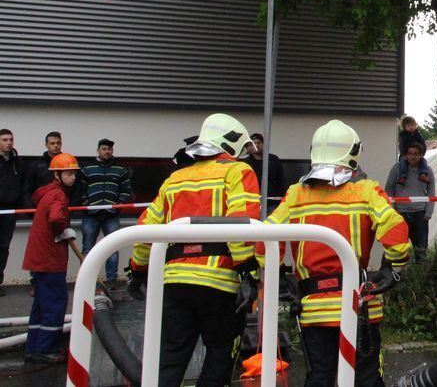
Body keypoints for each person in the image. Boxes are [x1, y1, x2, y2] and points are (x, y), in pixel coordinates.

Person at [261, 119, 412, 387]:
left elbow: (264, 239)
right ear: (354, 153)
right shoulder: (366, 191)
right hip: (358, 305)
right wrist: (393, 269)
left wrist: (273, 275)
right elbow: (397, 234)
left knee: (320, 376)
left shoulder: (296, 194)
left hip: (313, 308)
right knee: (365, 377)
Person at [128, 113, 261, 387]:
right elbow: (242, 223)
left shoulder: (175, 178)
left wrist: (137, 270)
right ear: (232, 143)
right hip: (218, 281)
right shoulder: (238, 172)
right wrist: (248, 270)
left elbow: (145, 230)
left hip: (175, 281)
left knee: (171, 356)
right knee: (220, 351)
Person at [22, 152, 79, 363]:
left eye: (74, 174)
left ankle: (33, 347)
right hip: (49, 259)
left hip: (39, 258)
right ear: (57, 175)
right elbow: (56, 217)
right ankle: (46, 348)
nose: (72, 177)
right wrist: (62, 231)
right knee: (55, 303)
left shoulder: (47, 193)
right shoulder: (58, 195)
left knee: (40, 305)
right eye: (68, 173)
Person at [79, 139, 132, 283]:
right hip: (91, 215)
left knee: (112, 248)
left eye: (109, 149)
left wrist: (119, 204)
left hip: (111, 215)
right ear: (98, 150)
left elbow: (127, 191)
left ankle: (111, 280)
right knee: (87, 248)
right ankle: (87, 280)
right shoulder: (87, 169)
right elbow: (80, 189)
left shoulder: (120, 170)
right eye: (104, 149)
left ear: (112, 151)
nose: (106, 151)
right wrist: (85, 201)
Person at [385, 143, 435, 258]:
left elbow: (432, 193)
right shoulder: (397, 169)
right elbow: (388, 190)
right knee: (395, 248)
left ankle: (420, 273)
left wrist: (428, 213)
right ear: (406, 155)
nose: (413, 157)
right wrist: (392, 210)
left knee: (421, 251)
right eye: (410, 154)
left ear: (421, 155)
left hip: (420, 215)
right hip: (400, 215)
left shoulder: (427, 171)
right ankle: (391, 273)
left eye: (416, 154)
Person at [0, 129, 24, 295]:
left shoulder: (18, 162)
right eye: (4, 139)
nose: (8, 142)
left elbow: (23, 185)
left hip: (9, 210)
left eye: (10, 139)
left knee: (3, 248)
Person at [241, 132, 286, 212]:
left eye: (258, 142)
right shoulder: (246, 163)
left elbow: (281, 180)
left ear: (264, 144)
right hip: (253, 202)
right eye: (253, 143)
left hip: (272, 203)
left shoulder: (274, 160)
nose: (256, 145)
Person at [22, 131, 62, 205]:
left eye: (58, 143)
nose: (56, 146)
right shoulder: (35, 165)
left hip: (63, 205)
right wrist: (31, 209)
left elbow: (76, 188)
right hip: (41, 205)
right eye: (52, 143)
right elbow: (27, 189)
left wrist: (71, 207)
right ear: (46, 145)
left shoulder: (68, 163)